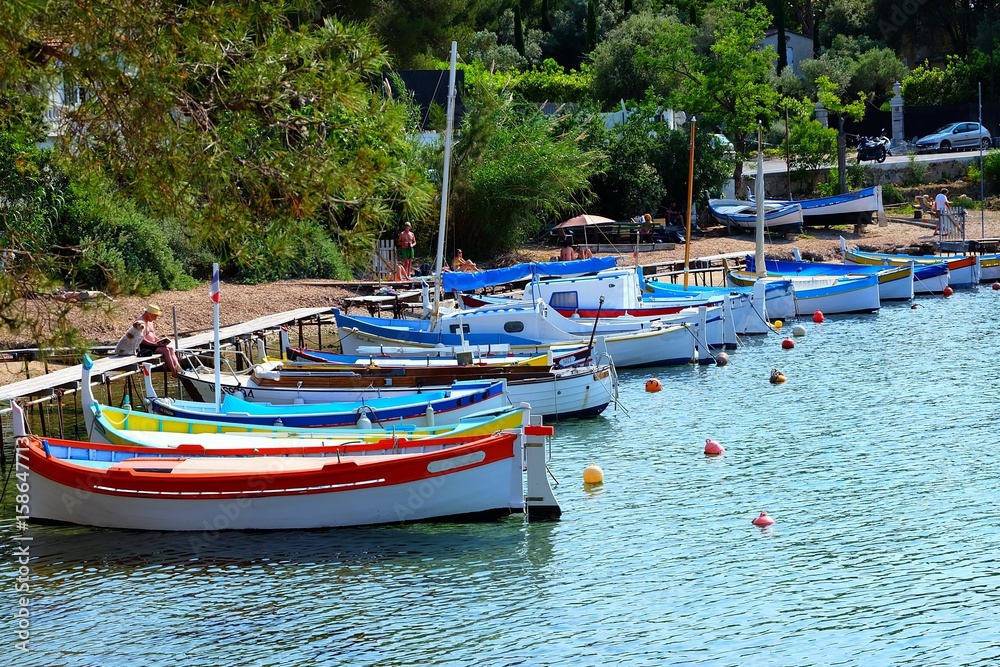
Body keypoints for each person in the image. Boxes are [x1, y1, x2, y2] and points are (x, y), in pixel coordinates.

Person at [136, 303, 182, 376]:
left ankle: (179, 369)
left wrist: (161, 341)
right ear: (149, 314)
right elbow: (141, 339)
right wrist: (154, 344)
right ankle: (174, 371)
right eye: (155, 316)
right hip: (144, 346)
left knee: (170, 348)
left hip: (153, 344)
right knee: (166, 350)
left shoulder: (149, 321)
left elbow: (152, 335)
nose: (156, 318)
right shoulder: (140, 322)